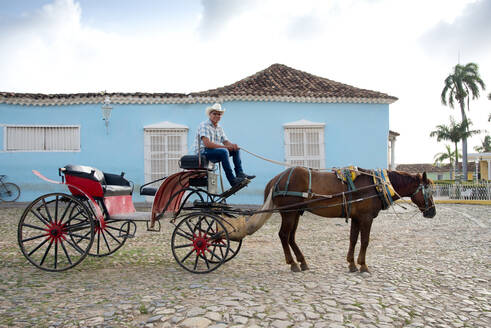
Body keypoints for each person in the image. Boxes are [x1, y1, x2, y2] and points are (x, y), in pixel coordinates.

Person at [195, 103, 255, 187]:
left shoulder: (219, 128)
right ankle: (232, 180)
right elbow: (207, 144)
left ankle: (240, 173)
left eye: (219, 114)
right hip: (203, 153)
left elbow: (226, 142)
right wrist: (226, 147)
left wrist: (233, 146)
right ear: (210, 114)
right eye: (214, 113)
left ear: (221, 116)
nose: (217, 116)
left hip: (214, 152)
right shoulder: (204, 125)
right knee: (224, 151)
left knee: (236, 150)